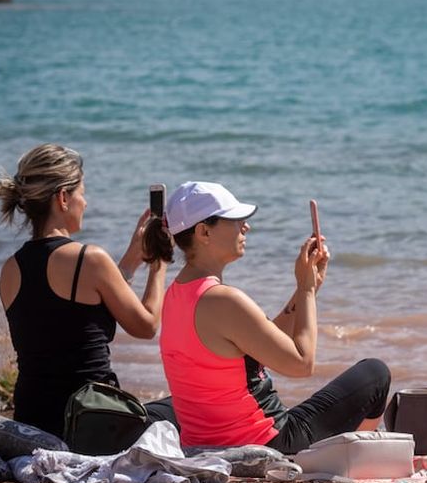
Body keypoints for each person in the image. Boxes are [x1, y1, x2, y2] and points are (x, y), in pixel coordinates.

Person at [144, 181, 390, 455]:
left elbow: (259, 344)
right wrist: (306, 290)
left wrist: (305, 291)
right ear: (204, 231)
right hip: (269, 441)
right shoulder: (223, 300)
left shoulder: (176, 294)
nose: (245, 227)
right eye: (235, 220)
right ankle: (357, 458)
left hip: (205, 443)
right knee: (375, 373)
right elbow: (301, 363)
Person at [0, 143, 166, 437]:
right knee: (178, 409)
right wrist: (159, 263)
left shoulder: (10, 269)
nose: (86, 202)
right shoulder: (90, 259)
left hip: (32, 421)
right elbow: (146, 326)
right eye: (82, 193)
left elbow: (77, 314)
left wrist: (133, 256)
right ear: (63, 198)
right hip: (91, 422)